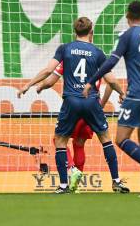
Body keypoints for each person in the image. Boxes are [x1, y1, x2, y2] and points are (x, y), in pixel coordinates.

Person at [18, 17, 128, 194]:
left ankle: (63, 185)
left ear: (74, 32)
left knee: (60, 140)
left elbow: (49, 72)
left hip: (71, 101)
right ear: (91, 32)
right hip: (92, 101)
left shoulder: (65, 49)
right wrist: (121, 93)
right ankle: (116, 181)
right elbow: (111, 80)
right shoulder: (98, 53)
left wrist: (29, 85)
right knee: (105, 139)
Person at [84, 1, 140, 197]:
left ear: (128, 16)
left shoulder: (127, 35)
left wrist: (91, 80)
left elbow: (111, 61)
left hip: (137, 93)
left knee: (121, 139)